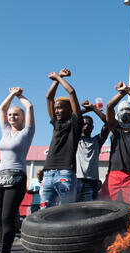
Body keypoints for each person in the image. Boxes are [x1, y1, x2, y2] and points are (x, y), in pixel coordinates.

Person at [0, 86, 35, 253]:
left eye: (16, 114)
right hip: (0, 177)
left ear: (22, 117)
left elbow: (30, 107)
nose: (12, 117)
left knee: (8, 217)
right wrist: (10, 95)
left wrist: (20, 95)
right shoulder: (5, 131)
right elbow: (1, 108)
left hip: (17, 177)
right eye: (10, 115)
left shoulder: (27, 132)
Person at [41, 68, 83, 208]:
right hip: (48, 173)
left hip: (65, 171)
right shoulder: (56, 122)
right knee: (44, 212)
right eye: (56, 108)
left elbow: (71, 92)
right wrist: (57, 78)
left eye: (60, 108)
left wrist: (59, 78)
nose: (56, 110)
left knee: (66, 211)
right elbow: (49, 97)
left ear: (70, 109)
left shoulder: (75, 123)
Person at [102, 81, 130, 205]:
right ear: (118, 113)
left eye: (128, 110)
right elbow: (109, 106)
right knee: (110, 207)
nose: (125, 113)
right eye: (122, 110)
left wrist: (129, 91)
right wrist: (123, 92)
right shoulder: (114, 127)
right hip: (114, 174)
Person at [76, 100, 109, 202]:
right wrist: (86, 110)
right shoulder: (74, 139)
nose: (86, 126)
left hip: (92, 182)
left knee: (89, 212)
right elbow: (71, 117)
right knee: (73, 213)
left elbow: (108, 123)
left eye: (89, 124)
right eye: (84, 124)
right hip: (76, 181)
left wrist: (94, 109)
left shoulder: (97, 141)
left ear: (93, 127)